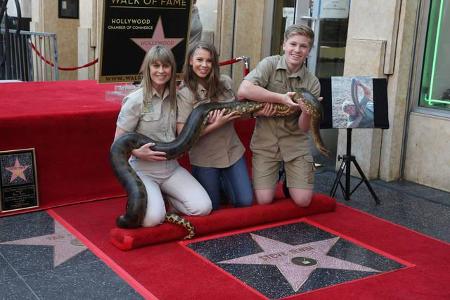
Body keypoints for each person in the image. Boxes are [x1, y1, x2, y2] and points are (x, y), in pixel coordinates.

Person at [114, 45, 212, 227]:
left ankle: (165, 196)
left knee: (203, 207)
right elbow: (118, 143)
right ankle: (153, 199)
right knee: (152, 220)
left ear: (172, 69)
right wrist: (137, 153)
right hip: (143, 169)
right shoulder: (135, 100)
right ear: (148, 68)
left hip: (171, 168)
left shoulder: (177, 97)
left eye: (166, 66)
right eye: (156, 66)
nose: (161, 71)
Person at [237, 24, 321, 208]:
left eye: (303, 46)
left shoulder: (312, 82)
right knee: (264, 200)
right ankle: (281, 179)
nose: (297, 50)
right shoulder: (270, 64)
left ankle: (291, 185)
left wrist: (307, 112)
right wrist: (280, 98)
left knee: (303, 201)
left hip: (295, 143)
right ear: (284, 45)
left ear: (309, 50)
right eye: (293, 44)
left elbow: (304, 128)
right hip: (266, 142)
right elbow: (243, 90)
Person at [177, 41, 253, 210]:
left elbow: (239, 114)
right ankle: (219, 182)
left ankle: (226, 182)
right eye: (199, 60)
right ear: (190, 61)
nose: (204, 65)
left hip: (232, 151)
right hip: (206, 158)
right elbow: (183, 135)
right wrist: (217, 124)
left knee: (245, 201)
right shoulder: (185, 93)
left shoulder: (225, 82)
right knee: (213, 205)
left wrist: (256, 111)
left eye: (209, 61)